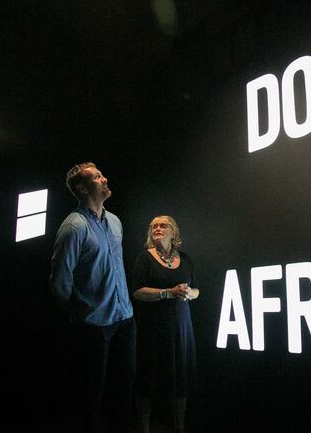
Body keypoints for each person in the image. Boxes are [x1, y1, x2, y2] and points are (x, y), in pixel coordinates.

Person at [49, 162, 136, 433]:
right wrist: (82, 310)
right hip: (94, 326)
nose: (105, 179)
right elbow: (60, 280)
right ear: (83, 189)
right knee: (92, 396)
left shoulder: (115, 222)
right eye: (98, 177)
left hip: (125, 320)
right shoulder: (73, 228)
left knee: (123, 389)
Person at [132, 215, 200, 433]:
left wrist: (190, 293)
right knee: (148, 378)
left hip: (181, 328)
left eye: (163, 225)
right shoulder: (144, 258)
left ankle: (179, 427)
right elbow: (138, 291)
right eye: (153, 226)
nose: (157, 228)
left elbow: (197, 289)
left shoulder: (186, 259)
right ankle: (144, 427)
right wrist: (167, 293)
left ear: (174, 233)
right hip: (153, 329)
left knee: (181, 377)